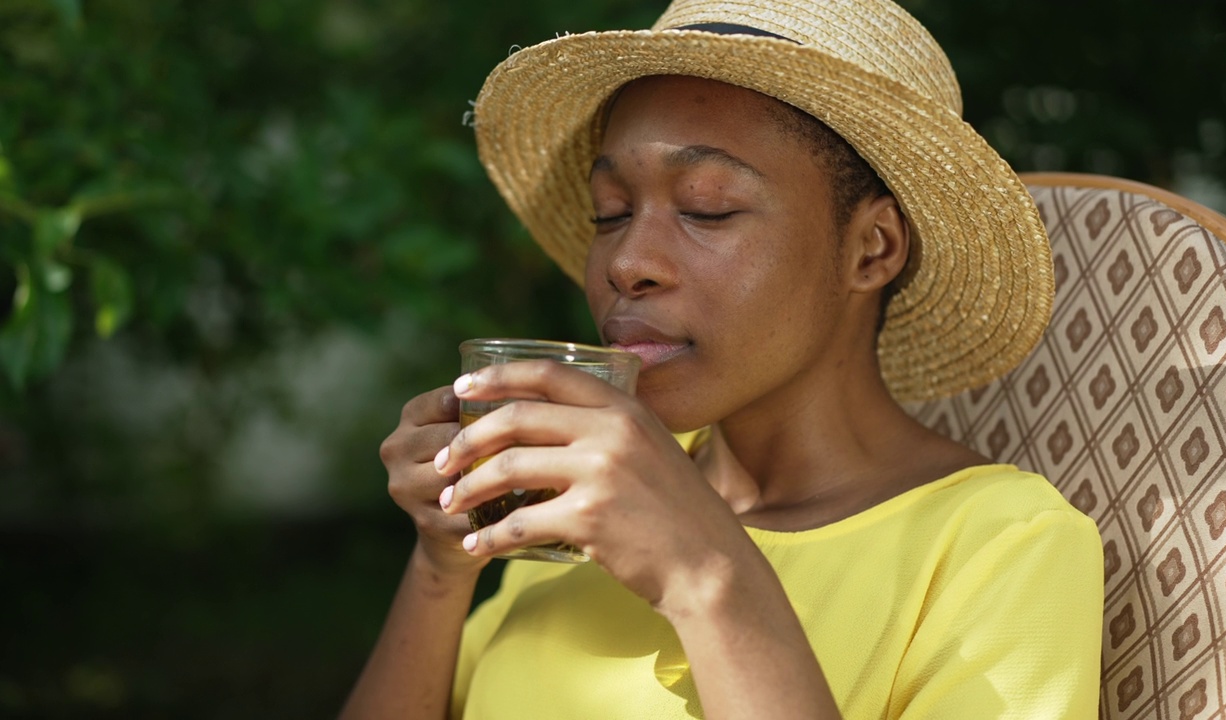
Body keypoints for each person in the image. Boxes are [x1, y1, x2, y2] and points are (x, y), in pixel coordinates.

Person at [340, 0, 1103, 717]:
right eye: (611, 214)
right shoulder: (585, 500)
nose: (626, 261)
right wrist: (444, 569)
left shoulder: (1001, 544)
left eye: (708, 207)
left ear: (872, 249)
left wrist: (704, 578)